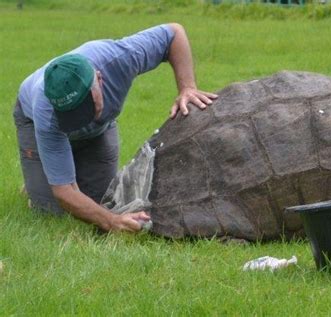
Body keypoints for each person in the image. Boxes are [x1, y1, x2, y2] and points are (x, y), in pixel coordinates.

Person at [13, 23, 218, 233]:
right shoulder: (46, 112)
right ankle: (36, 183)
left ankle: (53, 172)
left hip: (100, 131)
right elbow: (64, 191)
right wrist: (112, 222)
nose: (80, 122)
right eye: (71, 117)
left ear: (99, 80)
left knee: (104, 201)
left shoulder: (120, 58)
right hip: (34, 122)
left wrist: (187, 88)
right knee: (52, 211)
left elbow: (174, 33)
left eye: (84, 112)